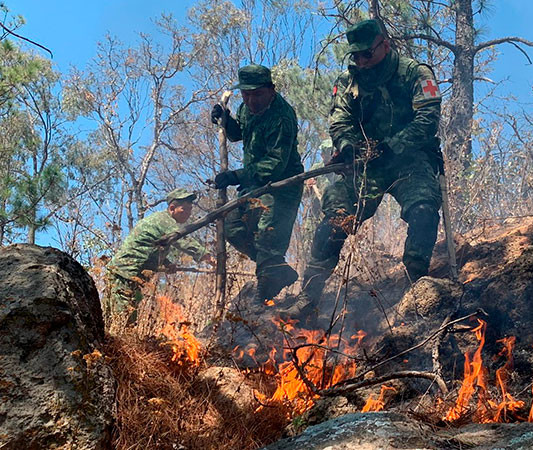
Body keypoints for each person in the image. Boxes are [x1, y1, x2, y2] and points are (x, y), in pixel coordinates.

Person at [294, 19, 443, 317]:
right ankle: (308, 298)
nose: (361, 61)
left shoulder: (415, 73)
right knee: (335, 220)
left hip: (411, 159)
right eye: (356, 56)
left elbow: (428, 119)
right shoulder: (349, 82)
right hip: (367, 165)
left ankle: (415, 289)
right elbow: (340, 120)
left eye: (367, 54)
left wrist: (393, 145)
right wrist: (347, 145)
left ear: (384, 45)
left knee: (424, 211)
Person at [211, 64, 304, 304]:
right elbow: (238, 134)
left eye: (258, 94)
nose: (252, 100)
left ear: (271, 90)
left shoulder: (282, 117)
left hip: (282, 187)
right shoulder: (246, 108)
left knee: (267, 235)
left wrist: (235, 176)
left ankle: (265, 293)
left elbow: (275, 165)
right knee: (231, 226)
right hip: (252, 186)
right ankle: (274, 266)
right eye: (246, 94)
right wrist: (225, 119)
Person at [107, 188, 211, 325]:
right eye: (184, 209)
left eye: (190, 209)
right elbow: (182, 239)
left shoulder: (161, 222)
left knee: (117, 318)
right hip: (125, 274)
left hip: (128, 274)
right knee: (124, 320)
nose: (188, 213)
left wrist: (166, 264)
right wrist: (206, 256)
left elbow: (150, 248)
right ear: (172, 208)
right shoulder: (165, 221)